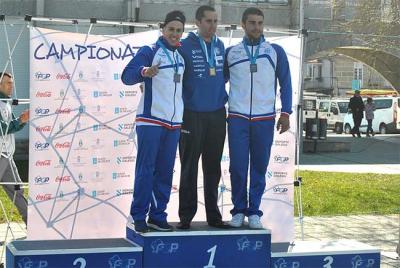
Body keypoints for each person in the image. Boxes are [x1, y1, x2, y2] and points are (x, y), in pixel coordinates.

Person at [224, 7, 292, 229]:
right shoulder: (231, 53)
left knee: (259, 167)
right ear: (243, 25)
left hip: (264, 118)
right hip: (237, 117)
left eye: (260, 23)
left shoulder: (275, 51)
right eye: (252, 23)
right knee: (238, 167)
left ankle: (254, 211)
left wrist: (286, 112)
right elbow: (215, 84)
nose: (256, 27)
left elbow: (286, 83)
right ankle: (238, 210)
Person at [121, 10, 186, 233]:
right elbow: (127, 76)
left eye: (179, 30)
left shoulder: (180, 56)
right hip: (150, 120)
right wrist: (144, 72)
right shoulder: (150, 50)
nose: (175, 34)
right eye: (171, 29)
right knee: (146, 170)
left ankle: (158, 215)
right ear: (163, 29)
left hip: (174, 122)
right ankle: (138, 215)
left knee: (166, 171)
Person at [177, 5, 229, 230]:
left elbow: (223, 76)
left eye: (216, 21)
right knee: (189, 166)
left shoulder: (220, 45)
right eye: (208, 21)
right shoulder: (183, 46)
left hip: (217, 114)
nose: (213, 25)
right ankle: (186, 216)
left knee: (213, 167)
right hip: (191, 114)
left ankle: (214, 216)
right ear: (197, 23)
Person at [0, 72, 29, 225]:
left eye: (12, 82)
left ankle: (32, 225)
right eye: (8, 83)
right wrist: (20, 121)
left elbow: (8, 127)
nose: (12, 86)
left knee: (17, 189)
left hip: (7, 155)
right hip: (0, 155)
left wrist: (22, 121)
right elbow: (1, 128)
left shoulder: (6, 103)